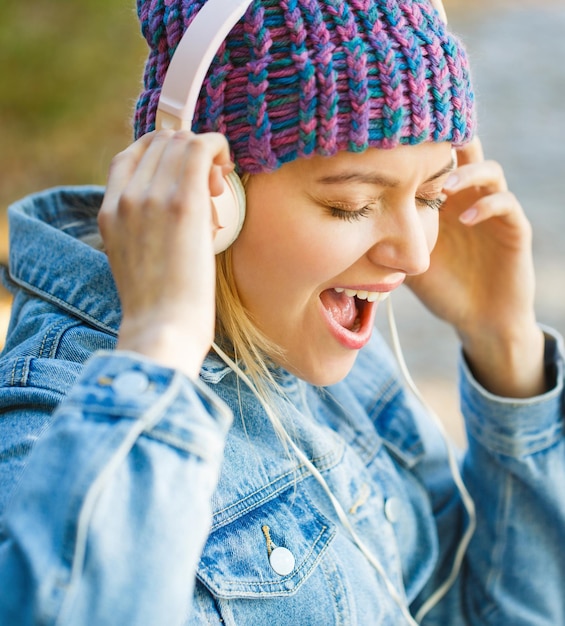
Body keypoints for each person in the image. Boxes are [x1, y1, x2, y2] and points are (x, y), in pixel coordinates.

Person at [0, 0, 563, 624]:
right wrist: (161, 345)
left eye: (431, 194)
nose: (416, 255)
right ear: (215, 198)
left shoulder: (317, 342)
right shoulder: (47, 430)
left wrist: (505, 345)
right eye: (351, 204)